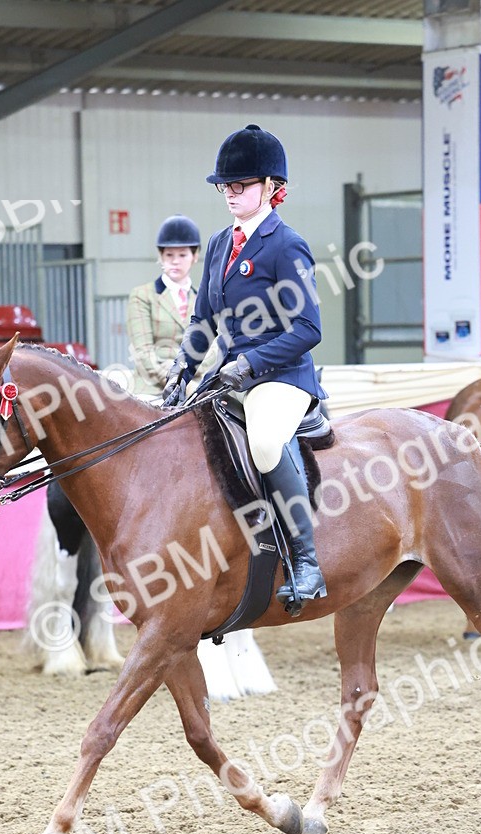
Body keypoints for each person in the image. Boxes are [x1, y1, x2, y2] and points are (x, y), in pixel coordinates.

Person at [162, 124, 327, 612]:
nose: (230, 193)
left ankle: (306, 561)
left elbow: (308, 328)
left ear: (272, 188)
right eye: (225, 186)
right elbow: (203, 319)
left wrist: (250, 363)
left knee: (264, 441)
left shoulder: (285, 244)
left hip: (281, 376)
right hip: (228, 375)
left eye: (241, 185)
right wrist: (182, 368)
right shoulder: (217, 244)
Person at [126, 215, 202, 399]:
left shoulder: (203, 299)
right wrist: (175, 381)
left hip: (194, 385)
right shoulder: (142, 295)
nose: (175, 261)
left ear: (195, 256)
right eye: (169, 255)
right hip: (152, 388)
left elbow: (214, 348)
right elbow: (143, 352)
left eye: (182, 255)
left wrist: (192, 381)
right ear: (161, 257)